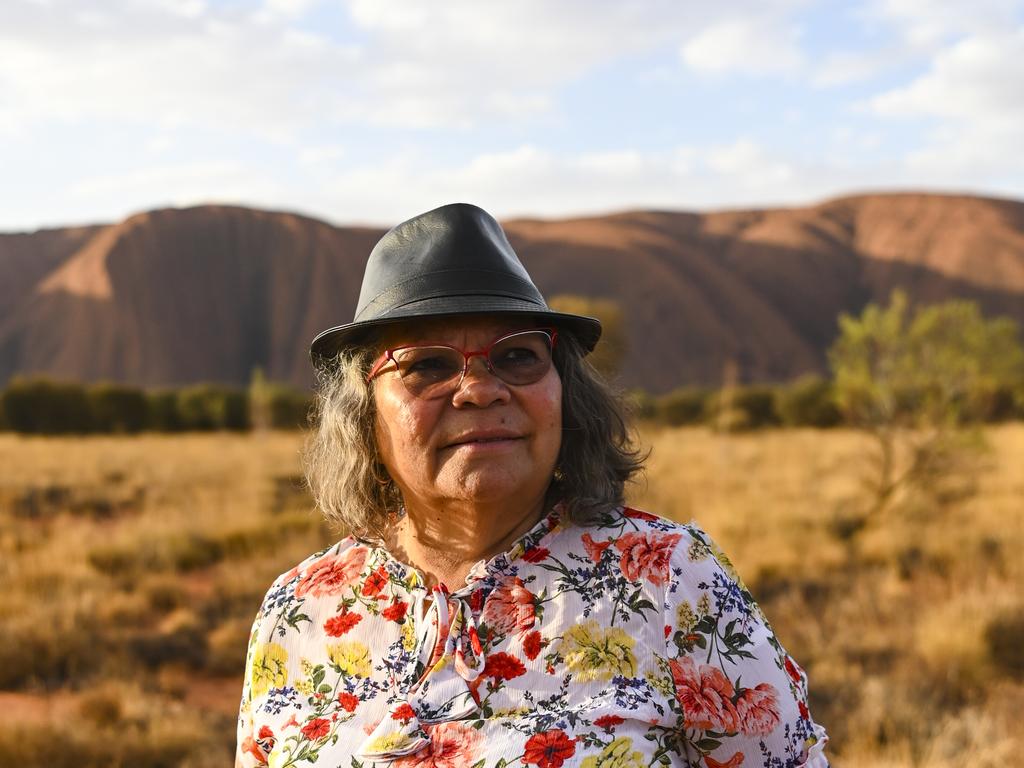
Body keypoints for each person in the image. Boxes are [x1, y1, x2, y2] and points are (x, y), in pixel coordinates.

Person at [236, 203, 829, 767]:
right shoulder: (299, 610)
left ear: (564, 390)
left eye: (517, 357)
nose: (479, 389)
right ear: (363, 412)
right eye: (427, 365)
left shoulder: (673, 582)